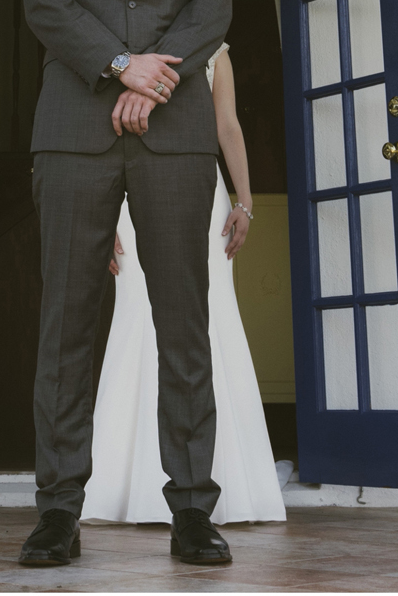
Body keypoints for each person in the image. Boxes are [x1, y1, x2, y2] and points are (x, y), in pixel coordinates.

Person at [14, 0, 235, 569]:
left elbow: (214, 0)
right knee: (68, 322)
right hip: (74, 132)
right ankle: (57, 511)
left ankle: (191, 512)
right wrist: (116, 63)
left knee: (184, 320)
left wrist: (156, 72)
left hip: (174, 133)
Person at [83, 42, 286, 527]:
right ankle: (124, 482)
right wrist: (101, 210)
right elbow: (101, 126)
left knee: (208, 320)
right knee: (137, 319)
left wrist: (246, 201)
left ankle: (219, 482)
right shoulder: (118, 41)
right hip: (128, 191)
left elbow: (227, 125)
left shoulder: (213, 49)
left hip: (203, 192)